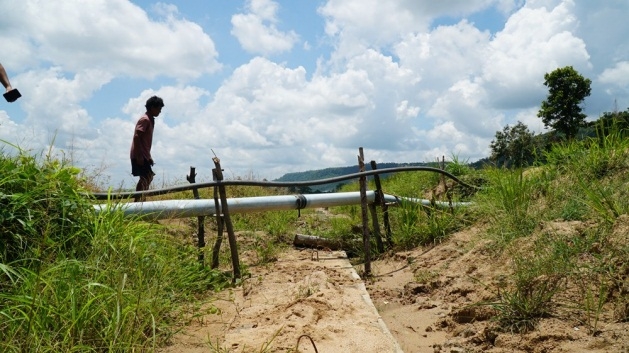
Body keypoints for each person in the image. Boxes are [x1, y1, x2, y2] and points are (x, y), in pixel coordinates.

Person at [130, 95, 164, 202]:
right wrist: (139, 155)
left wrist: (148, 156)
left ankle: (140, 202)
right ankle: (137, 202)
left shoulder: (150, 119)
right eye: (159, 108)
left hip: (143, 154)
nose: (160, 111)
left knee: (147, 177)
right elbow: (137, 136)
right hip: (139, 154)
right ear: (152, 107)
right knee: (146, 177)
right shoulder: (145, 119)